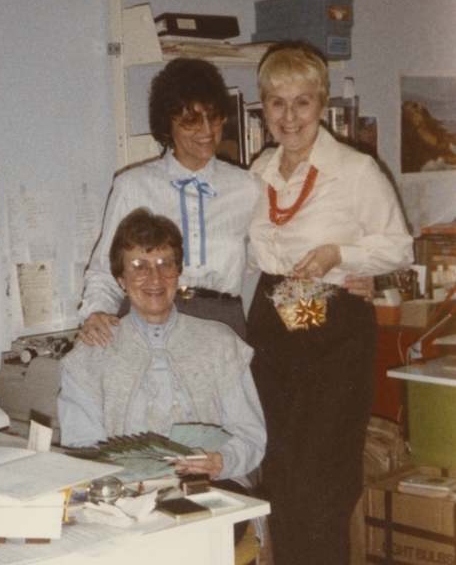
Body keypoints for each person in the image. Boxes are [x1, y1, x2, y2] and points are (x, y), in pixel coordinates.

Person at [245, 41, 413, 565]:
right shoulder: (259, 171)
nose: (289, 116)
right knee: (282, 478)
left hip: (332, 326)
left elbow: (399, 247)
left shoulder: (354, 170)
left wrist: (342, 256)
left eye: (302, 102)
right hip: (274, 319)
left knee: (322, 484)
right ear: (264, 108)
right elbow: (251, 255)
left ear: (320, 105)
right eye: (277, 102)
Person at [59, 208, 266, 486]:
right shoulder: (89, 355)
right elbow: (83, 447)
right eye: (139, 267)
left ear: (178, 273)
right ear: (120, 280)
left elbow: (249, 433)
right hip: (128, 492)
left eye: (165, 264)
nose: (155, 279)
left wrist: (223, 461)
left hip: (210, 485)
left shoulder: (220, 343)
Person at [77, 58, 259, 346]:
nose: (207, 130)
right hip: (147, 321)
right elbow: (105, 270)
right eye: (191, 120)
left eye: (214, 116)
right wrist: (96, 313)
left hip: (222, 325)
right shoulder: (134, 186)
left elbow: (273, 255)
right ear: (167, 124)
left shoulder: (247, 187)